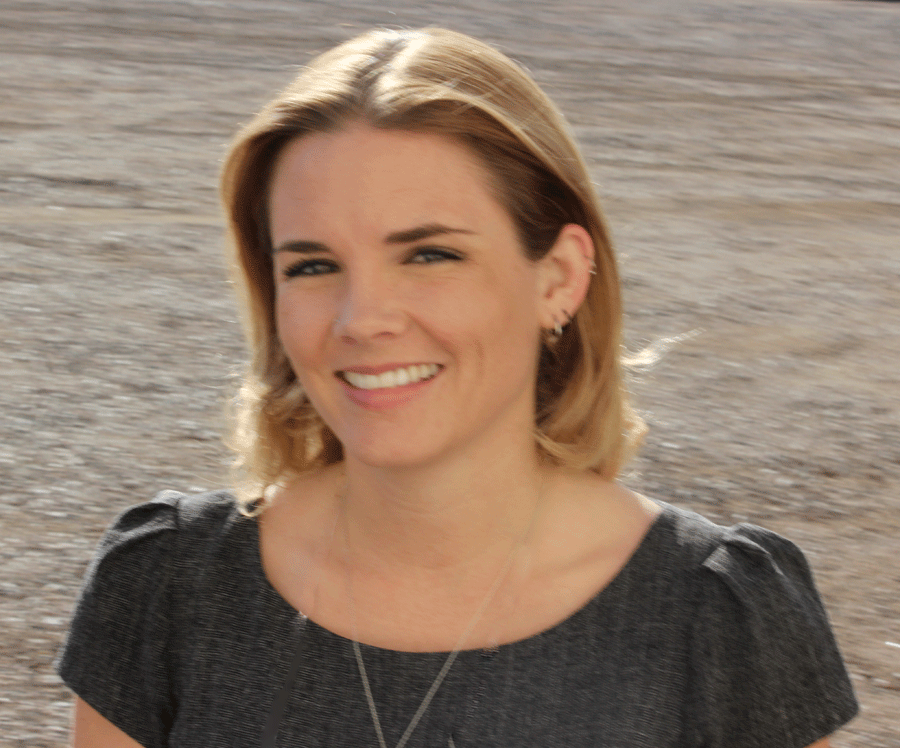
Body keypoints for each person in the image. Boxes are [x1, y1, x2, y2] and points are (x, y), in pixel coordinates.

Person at [57, 27, 858, 748]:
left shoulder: (719, 615)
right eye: (313, 265)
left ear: (559, 278)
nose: (362, 319)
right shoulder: (167, 586)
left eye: (430, 255)